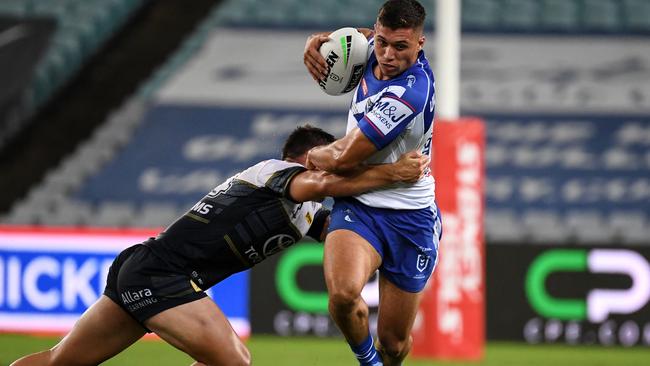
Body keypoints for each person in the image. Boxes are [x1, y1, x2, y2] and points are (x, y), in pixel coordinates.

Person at [11, 125, 429, 366]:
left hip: (144, 269)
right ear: (308, 157)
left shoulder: (304, 213)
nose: (338, 163)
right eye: (331, 156)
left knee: (56, 363)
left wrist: (406, 233)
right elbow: (322, 181)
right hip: (163, 275)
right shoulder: (276, 172)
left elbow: (351, 233)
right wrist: (390, 174)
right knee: (236, 363)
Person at [302, 1, 441, 365]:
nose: (388, 55)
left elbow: (344, 159)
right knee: (344, 295)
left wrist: (315, 155)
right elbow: (355, 39)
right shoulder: (373, 48)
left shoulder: (410, 92)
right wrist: (320, 43)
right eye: (382, 43)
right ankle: (368, 362)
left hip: (410, 216)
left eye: (401, 47)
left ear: (420, 44)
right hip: (360, 207)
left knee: (394, 343)